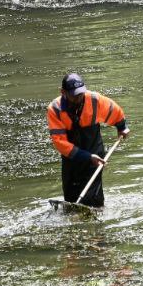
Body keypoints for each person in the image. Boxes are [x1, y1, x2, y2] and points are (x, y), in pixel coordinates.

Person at [46, 73, 129, 208]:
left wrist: (122, 127)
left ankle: (97, 219)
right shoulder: (55, 109)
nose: (79, 98)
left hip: (94, 151)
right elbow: (60, 142)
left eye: (81, 94)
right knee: (71, 198)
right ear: (63, 92)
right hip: (71, 157)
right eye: (74, 95)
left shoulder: (94, 100)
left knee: (93, 199)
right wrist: (86, 157)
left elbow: (115, 111)